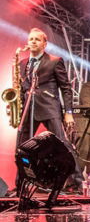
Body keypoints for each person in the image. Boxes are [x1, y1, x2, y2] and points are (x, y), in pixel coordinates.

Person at [17, 28, 81, 190]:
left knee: (62, 145)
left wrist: (68, 112)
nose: (33, 41)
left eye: (37, 39)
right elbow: (22, 88)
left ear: (44, 44)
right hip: (28, 109)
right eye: (31, 39)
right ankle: (21, 184)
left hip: (49, 107)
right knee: (21, 147)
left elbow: (66, 88)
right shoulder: (22, 63)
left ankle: (78, 181)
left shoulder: (54, 60)